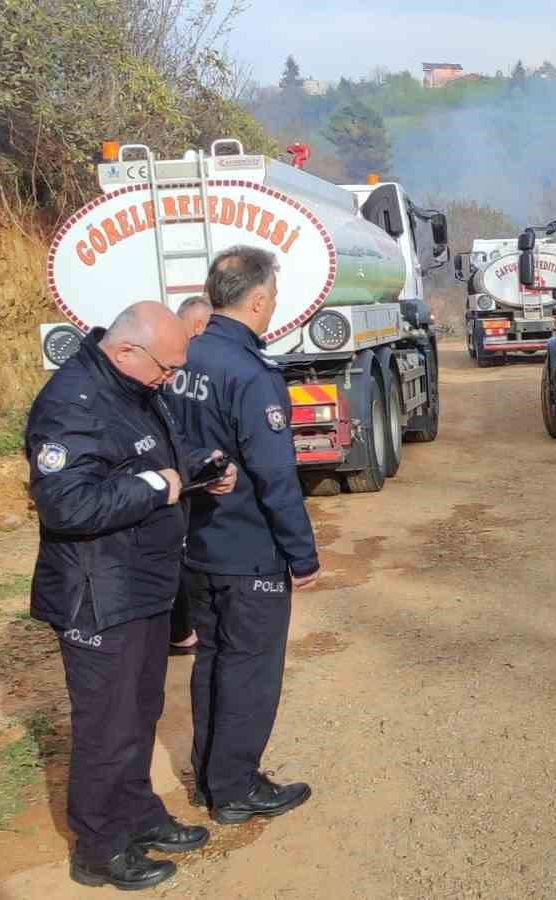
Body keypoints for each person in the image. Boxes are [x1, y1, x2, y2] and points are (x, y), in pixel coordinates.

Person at [25, 301, 237, 890]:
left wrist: (201, 467)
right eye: (167, 370)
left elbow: (156, 455)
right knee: (107, 726)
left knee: (140, 712)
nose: (171, 381)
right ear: (126, 351)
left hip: (142, 583)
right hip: (98, 593)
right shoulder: (73, 404)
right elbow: (66, 503)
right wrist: (154, 489)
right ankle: (98, 847)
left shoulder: (134, 386)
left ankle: (138, 815)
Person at [168, 246, 319, 826]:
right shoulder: (251, 374)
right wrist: (301, 556)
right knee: (250, 668)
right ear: (257, 302)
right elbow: (276, 475)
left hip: (198, 543)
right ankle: (235, 788)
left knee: (211, 660)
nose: (273, 306)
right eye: (273, 298)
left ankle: (211, 778)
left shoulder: (184, 358)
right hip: (248, 550)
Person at [169, 295, 212, 656]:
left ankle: (180, 629)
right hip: (185, 472)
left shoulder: (164, 363)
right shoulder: (199, 362)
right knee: (181, 551)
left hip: (174, 470)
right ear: (198, 325)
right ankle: (183, 630)